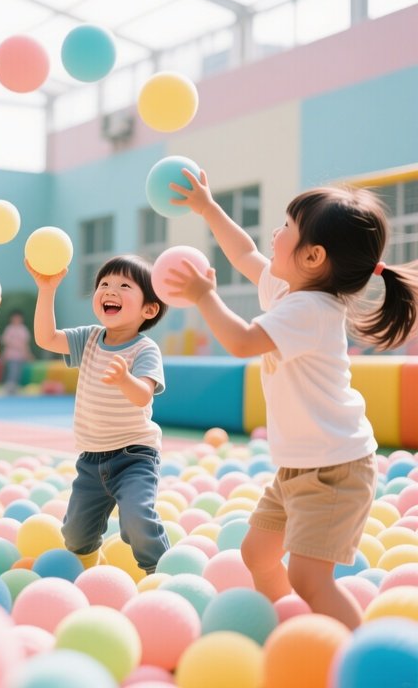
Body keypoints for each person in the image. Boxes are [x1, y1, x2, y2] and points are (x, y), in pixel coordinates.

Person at [167, 171, 418, 628]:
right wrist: (206, 208)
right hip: (301, 466)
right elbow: (244, 252)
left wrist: (205, 297)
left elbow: (243, 343)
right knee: (257, 554)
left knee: (310, 577)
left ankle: (357, 650)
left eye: (286, 227)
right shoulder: (289, 291)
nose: (275, 234)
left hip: (334, 471)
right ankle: (292, 623)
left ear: (313, 256)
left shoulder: (311, 310)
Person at [26, 254, 170, 574]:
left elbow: (143, 394)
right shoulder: (90, 337)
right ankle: (92, 572)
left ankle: (161, 573)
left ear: (149, 309)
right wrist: (47, 289)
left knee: (137, 520)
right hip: (91, 460)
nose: (109, 290)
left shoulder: (144, 349)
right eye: (103, 284)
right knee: (76, 535)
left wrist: (124, 379)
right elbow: (46, 338)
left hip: (135, 456)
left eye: (123, 285)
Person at [0, 309, 31, 394]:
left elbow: (25, 344)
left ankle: (15, 387)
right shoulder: (9, 329)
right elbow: (5, 341)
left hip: (20, 355)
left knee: (18, 372)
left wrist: (27, 354)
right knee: (12, 371)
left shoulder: (23, 329)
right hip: (11, 355)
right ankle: (9, 388)